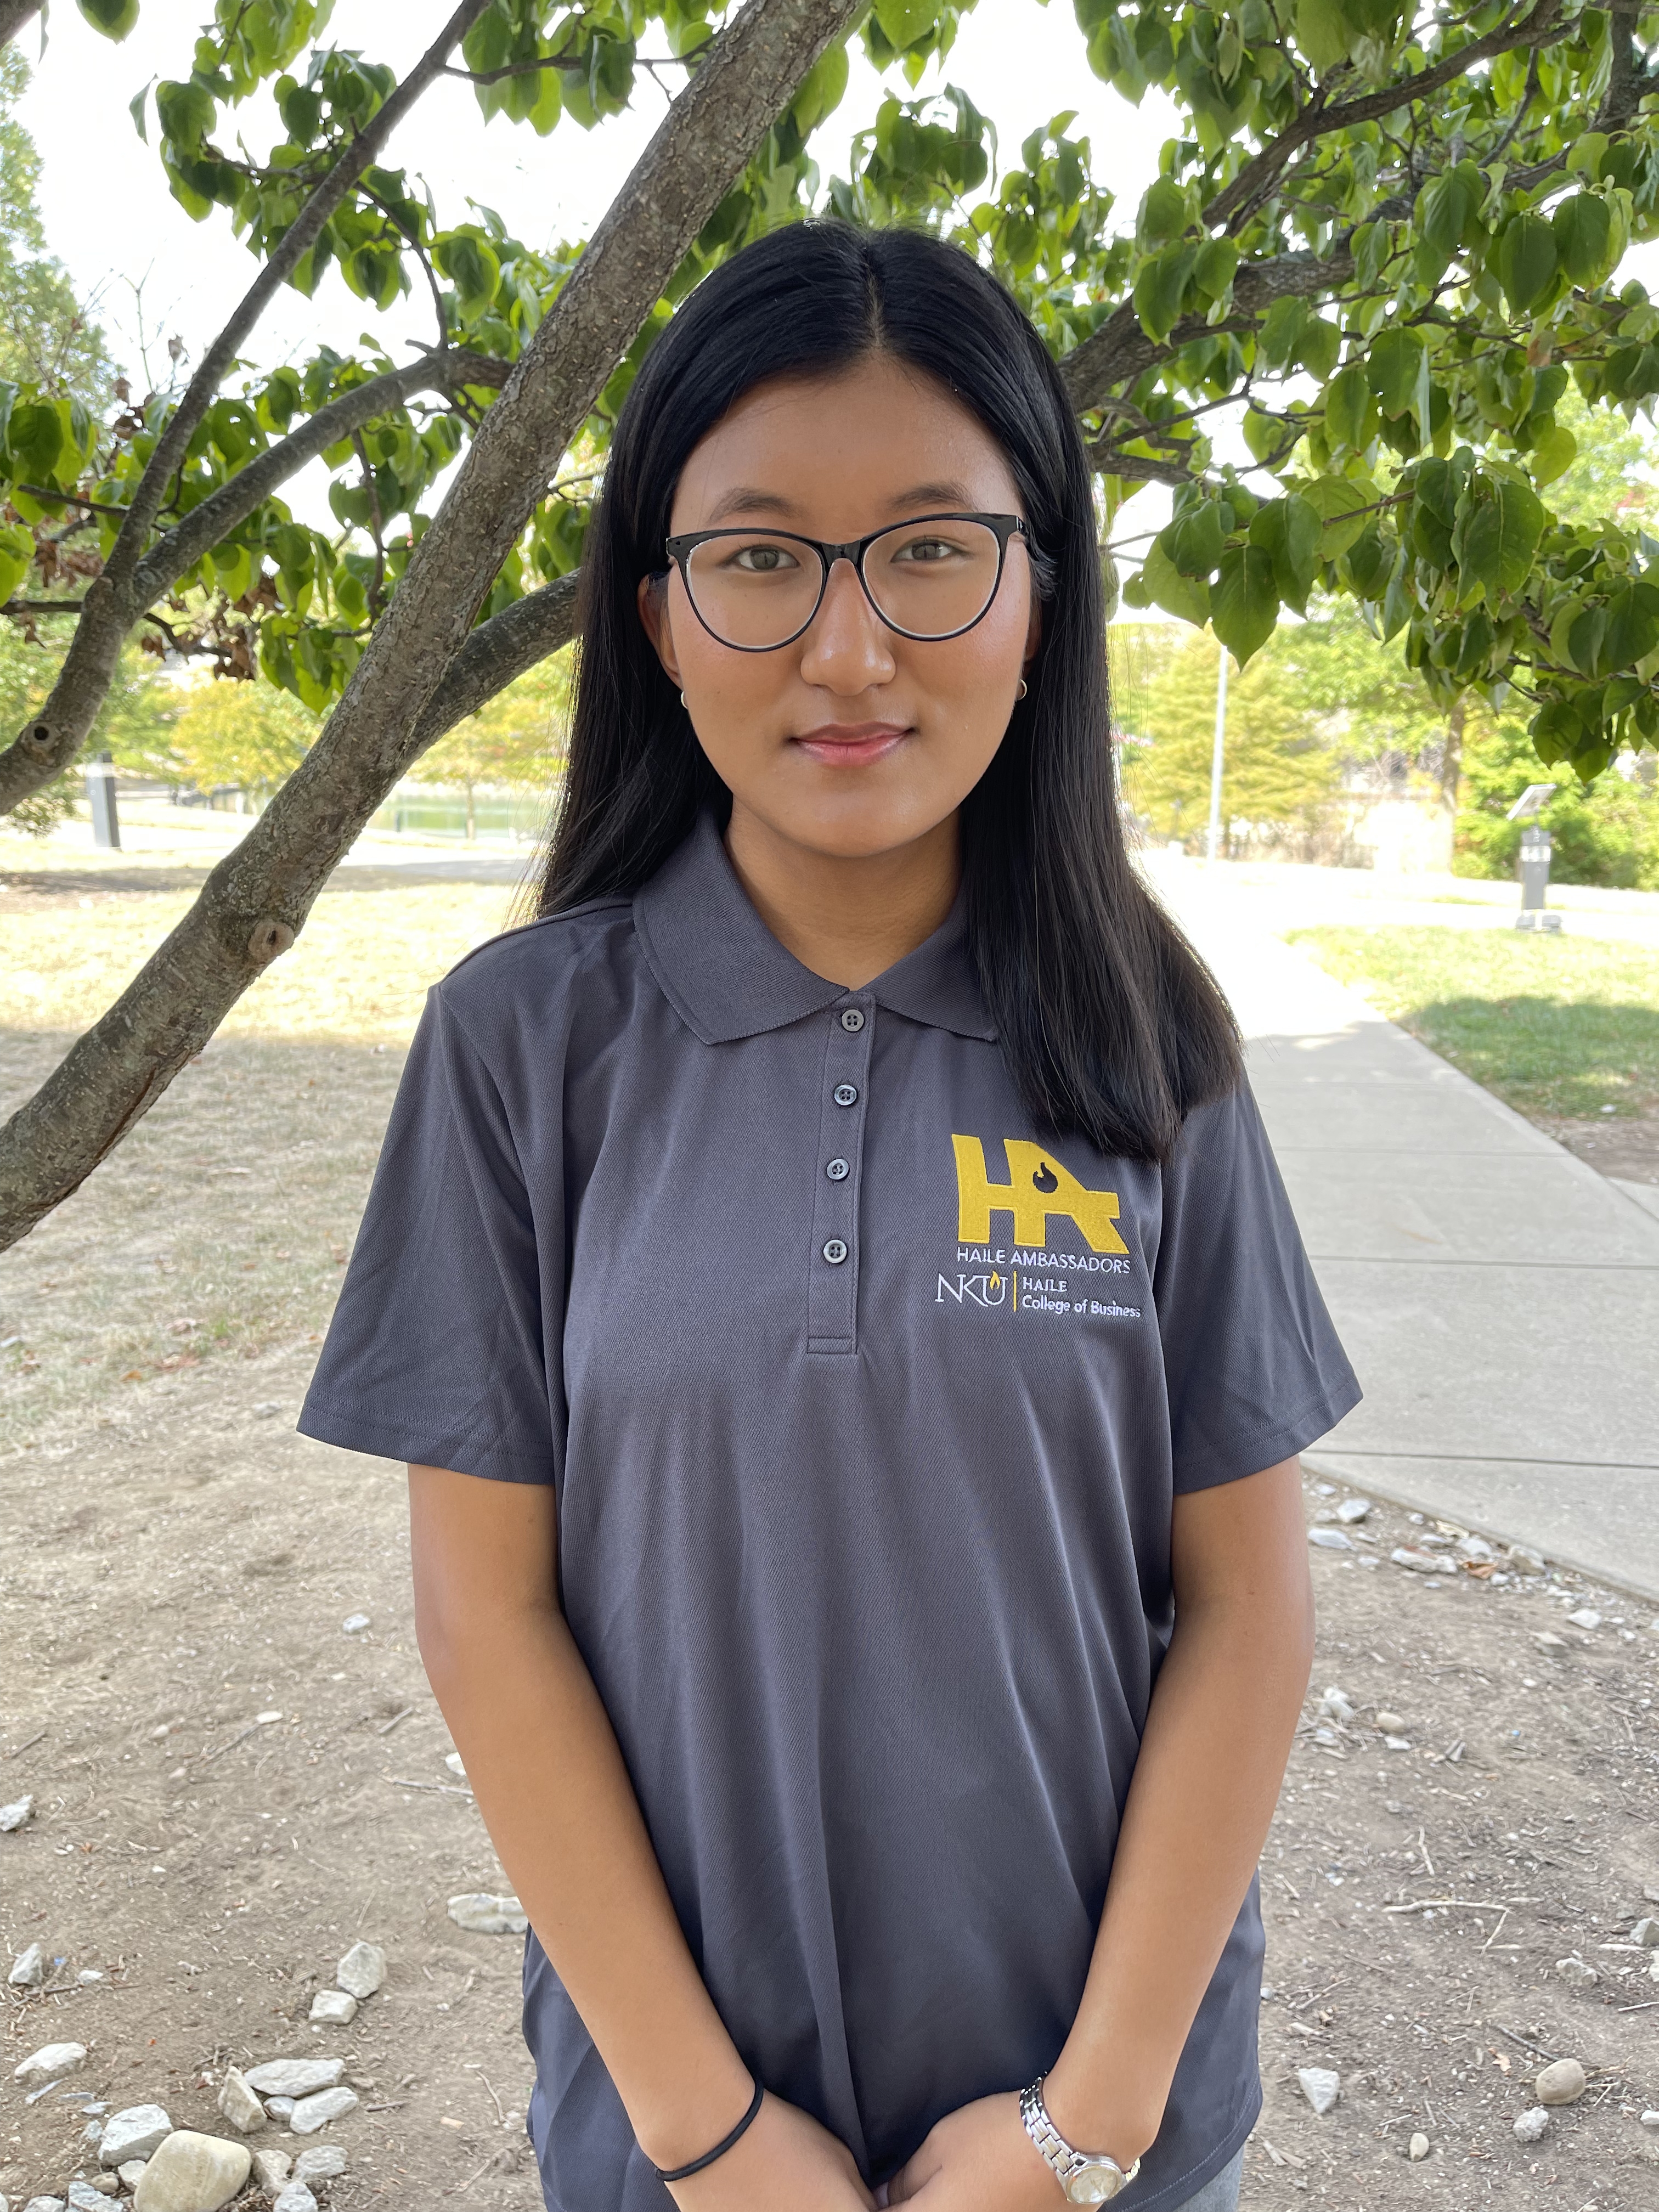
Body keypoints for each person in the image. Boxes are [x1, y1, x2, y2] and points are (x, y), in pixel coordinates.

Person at [298, 222, 1360, 2212]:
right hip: (679, 2144)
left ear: (1040, 594)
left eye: (932, 550)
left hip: (1098, 2140)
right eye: (763, 558)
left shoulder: (1151, 1045)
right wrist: (706, 2136)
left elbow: (1247, 1608)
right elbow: (485, 1617)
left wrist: (1087, 2122)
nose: (850, 650)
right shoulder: (522, 1049)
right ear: (660, 614)